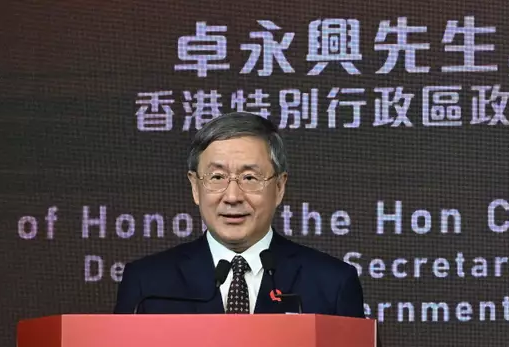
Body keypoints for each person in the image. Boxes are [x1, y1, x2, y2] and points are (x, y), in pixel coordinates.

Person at [114, 112, 365, 317]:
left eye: (250, 178)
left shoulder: (332, 283)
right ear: (195, 187)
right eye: (217, 177)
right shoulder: (147, 283)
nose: (232, 196)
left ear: (279, 187)